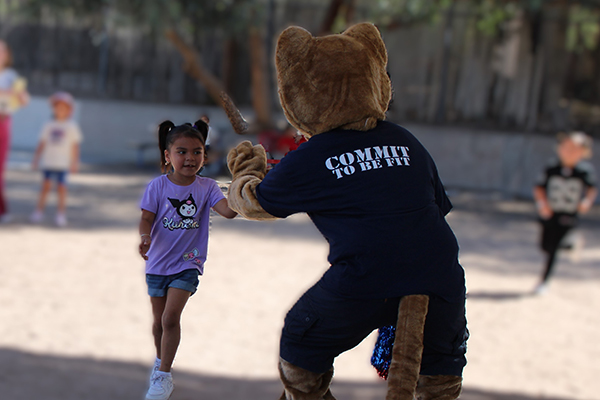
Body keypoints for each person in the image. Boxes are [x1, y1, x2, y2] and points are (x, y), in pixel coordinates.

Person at [138, 120, 236, 400]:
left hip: (187, 263)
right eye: (182, 151)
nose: (190, 158)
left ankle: (163, 376)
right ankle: (160, 363)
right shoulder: (157, 187)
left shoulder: (207, 188)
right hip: (157, 264)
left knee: (170, 318)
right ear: (168, 156)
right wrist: (145, 236)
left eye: (197, 152)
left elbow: (228, 212)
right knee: (158, 323)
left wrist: (244, 187)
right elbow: (146, 217)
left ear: (205, 156)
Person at [533, 131, 597, 294]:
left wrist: (586, 202)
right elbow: (539, 187)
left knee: (553, 248)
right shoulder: (552, 168)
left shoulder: (584, 171)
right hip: (550, 212)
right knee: (545, 245)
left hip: (569, 214)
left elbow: (591, 189)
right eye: (566, 147)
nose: (569, 152)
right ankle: (569, 244)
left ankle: (544, 282)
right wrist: (542, 204)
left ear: (583, 152)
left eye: (574, 149)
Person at [30, 92, 82, 227]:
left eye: (64, 108)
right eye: (57, 107)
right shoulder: (48, 124)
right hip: (49, 162)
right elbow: (41, 143)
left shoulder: (71, 126)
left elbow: (75, 145)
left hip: (63, 164)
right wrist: (36, 159)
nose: (60, 110)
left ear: (69, 110)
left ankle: (61, 214)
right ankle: (38, 211)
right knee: (45, 187)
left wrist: (75, 162)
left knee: (62, 189)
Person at [0, 39, 29, 223]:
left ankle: (3, 210)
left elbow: (24, 99)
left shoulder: (11, 76)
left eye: (2, 51)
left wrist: (15, 94)